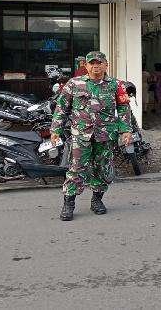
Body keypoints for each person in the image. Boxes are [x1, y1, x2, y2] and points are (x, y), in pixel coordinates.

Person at [51, 51, 133, 221]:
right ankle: (69, 204)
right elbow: (62, 108)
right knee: (76, 169)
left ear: (106, 65)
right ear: (86, 66)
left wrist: (126, 130)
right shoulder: (74, 83)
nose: (96, 66)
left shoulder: (116, 85)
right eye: (92, 63)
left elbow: (124, 107)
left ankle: (97, 200)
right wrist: (55, 130)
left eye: (99, 63)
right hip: (81, 135)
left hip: (105, 135)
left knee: (102, 168)